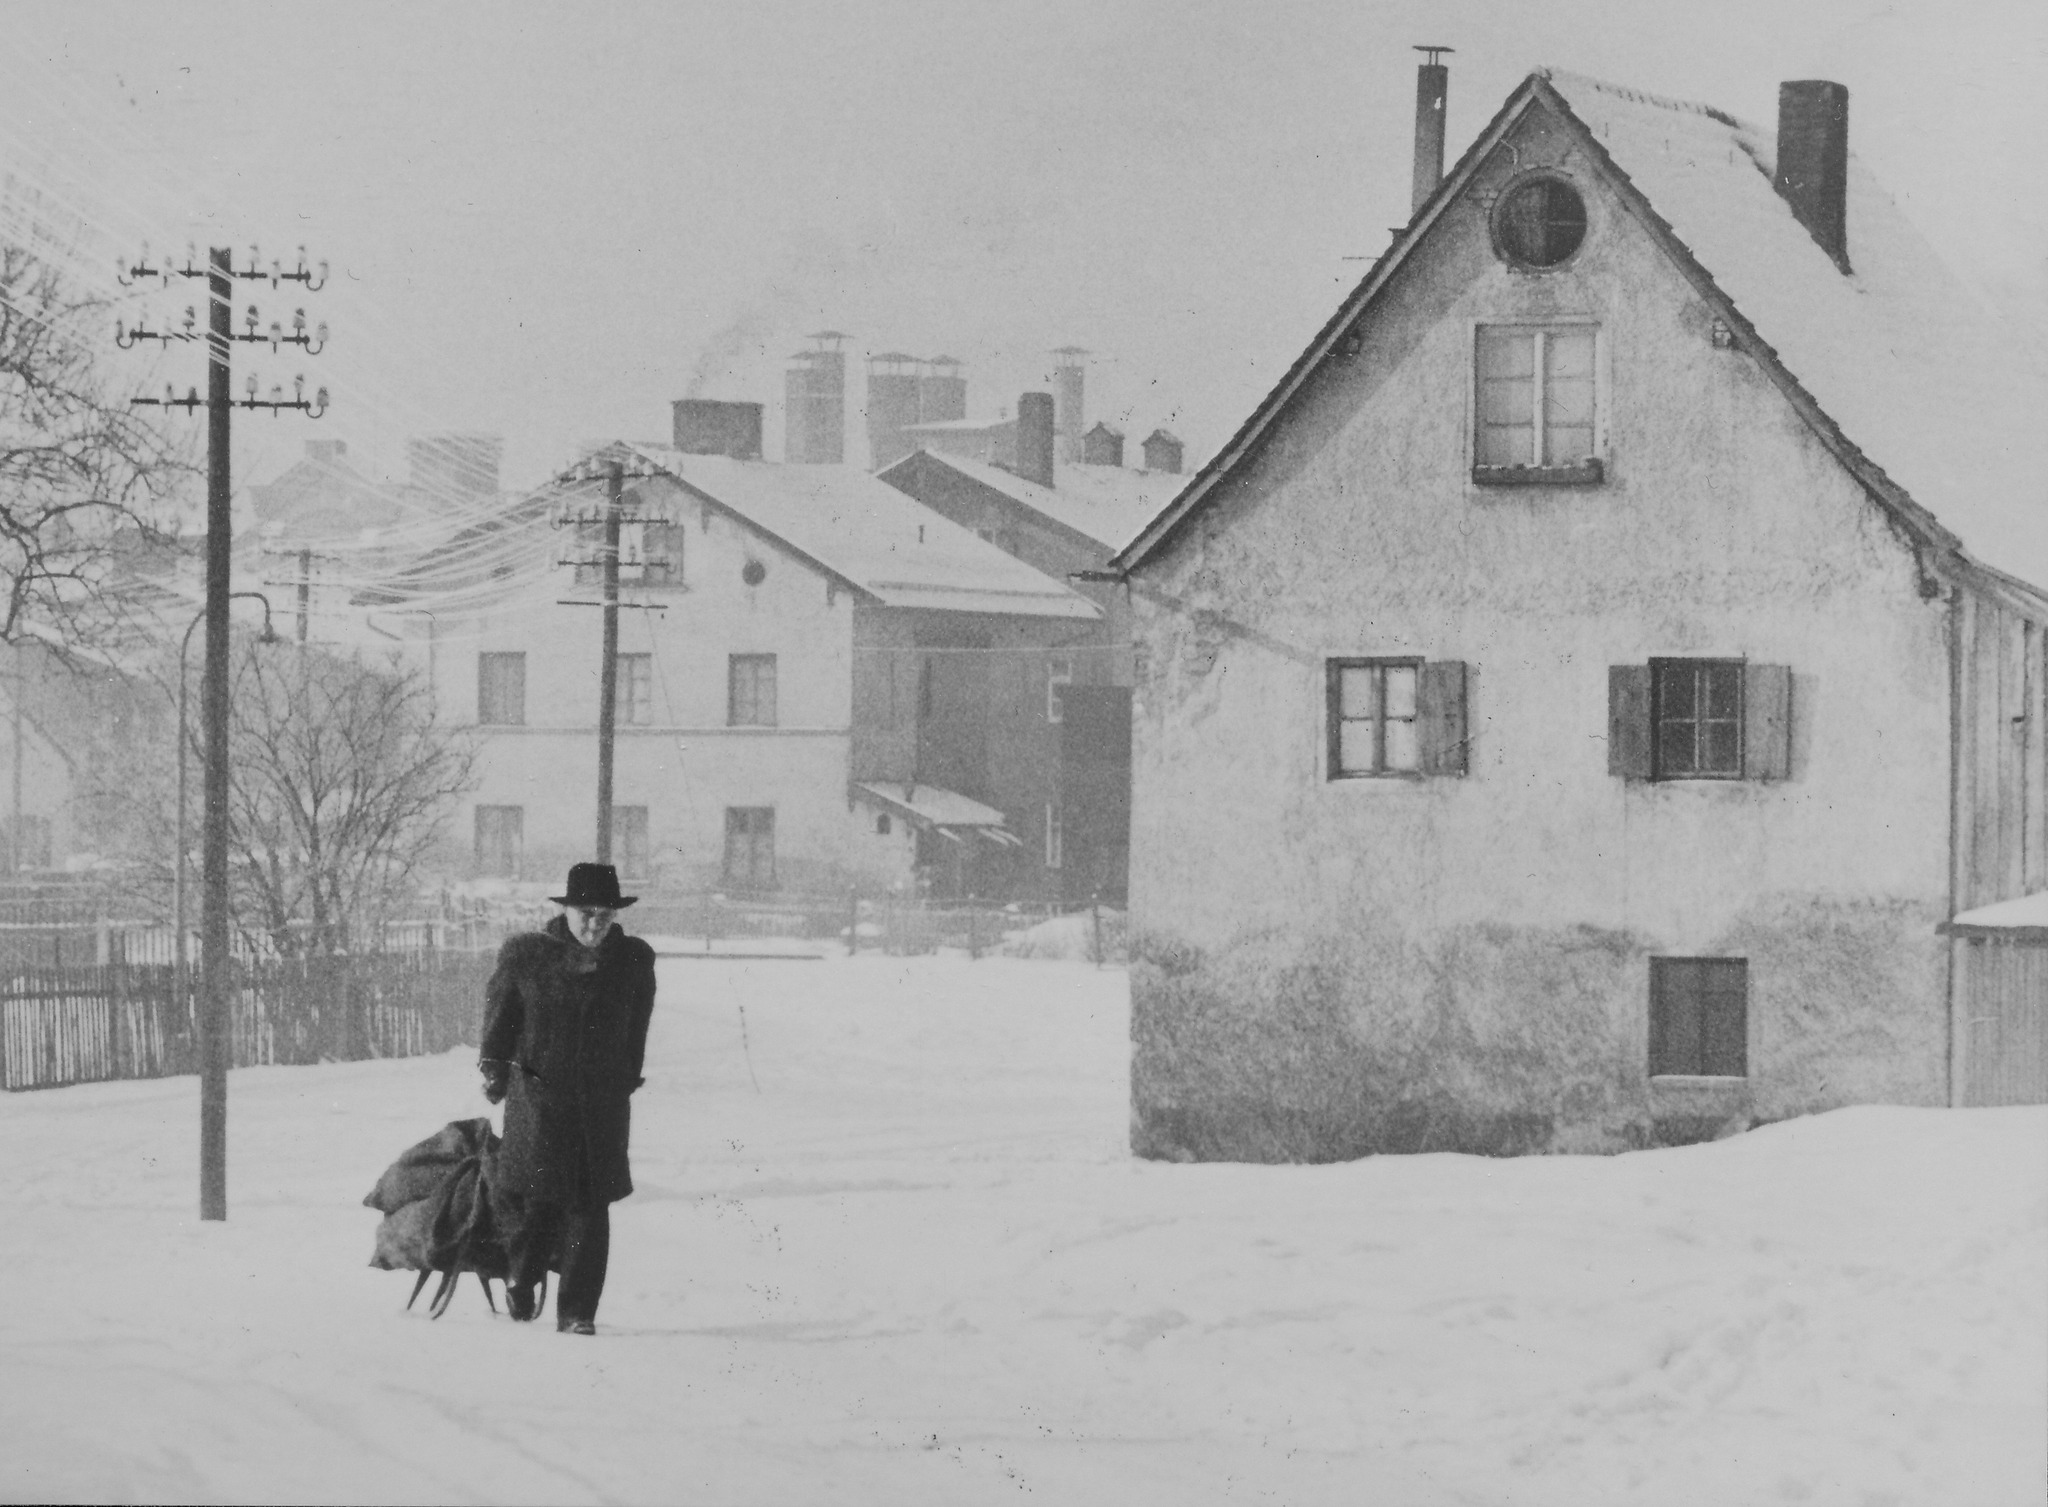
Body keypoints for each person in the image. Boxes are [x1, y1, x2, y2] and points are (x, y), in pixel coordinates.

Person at [479, 862, 657, 1335]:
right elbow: (500, 1019)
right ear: (567, 910)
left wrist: (627, 1077)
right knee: (538, 1201)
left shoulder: (633, 960)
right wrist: (494, 1070)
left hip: (601, 1104)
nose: (595, 923)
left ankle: (578, 1313)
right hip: (539, 1099)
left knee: (590, 1207)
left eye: (604, 914)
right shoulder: (527, 955)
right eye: (585, 912)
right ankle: (521, 1278)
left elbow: (638, 1026)